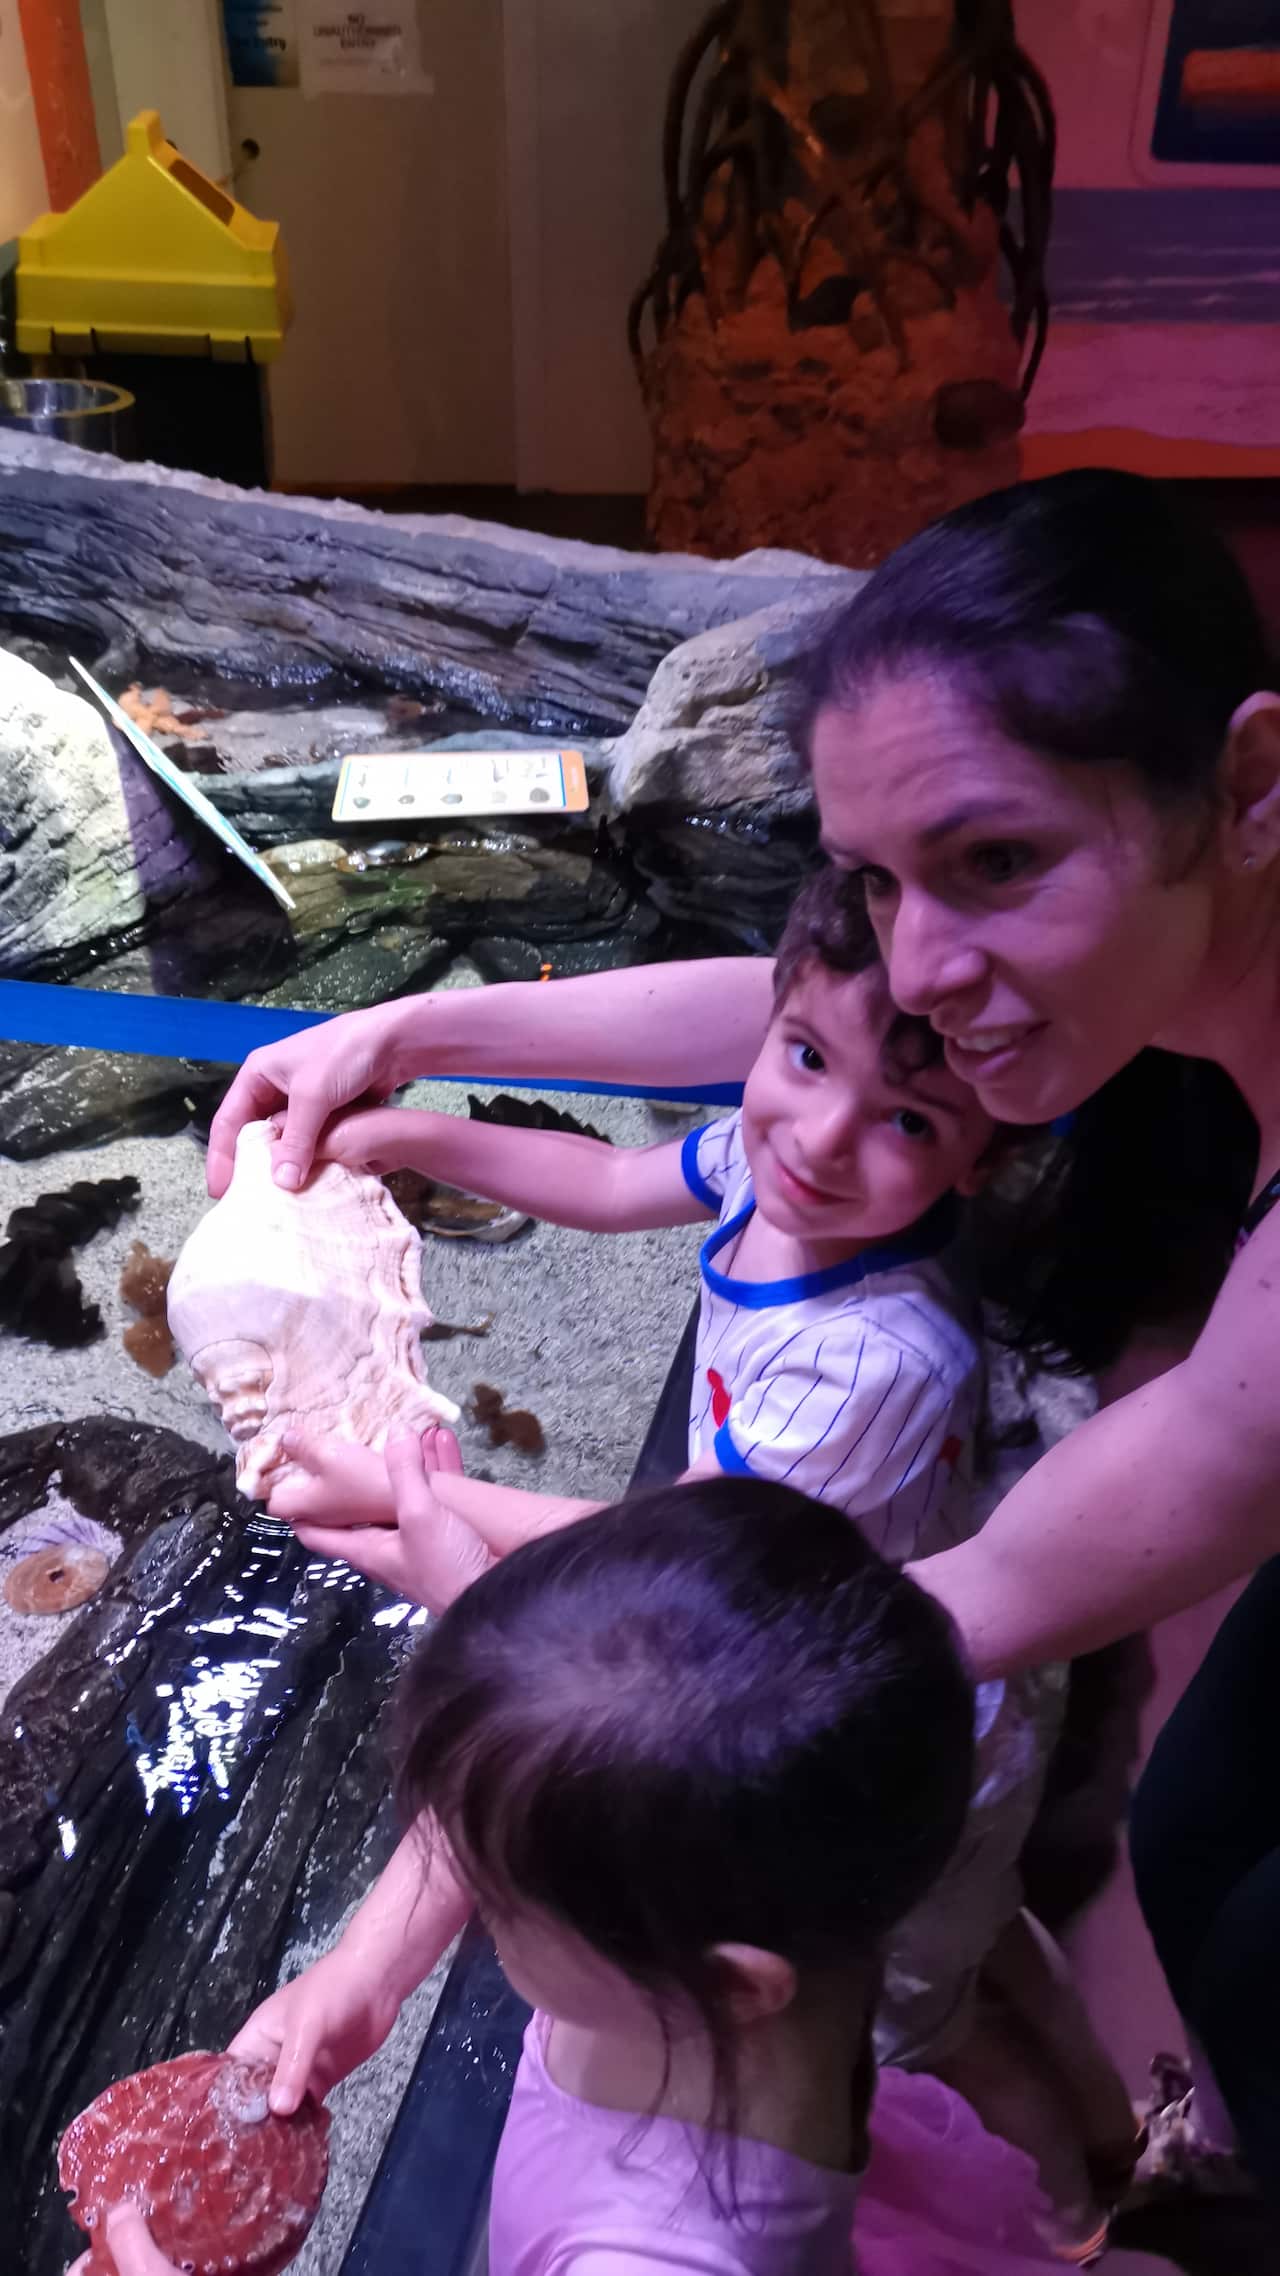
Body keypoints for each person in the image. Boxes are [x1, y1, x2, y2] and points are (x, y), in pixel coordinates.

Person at [210, 468, 1280, 2193]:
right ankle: (1144, 2160)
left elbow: (871, 1632)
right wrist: (408, 1031)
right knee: (1200, 1825)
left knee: (1236, 1941)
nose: (920, 973)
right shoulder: (1100, 983)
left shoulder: (977, 1356)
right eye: (875, 878)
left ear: (1245, 782)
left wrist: (473, 1557)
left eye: (995, 859)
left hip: (972, 1697)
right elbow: (808, 1007)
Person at [256, 867, 1132, 2251]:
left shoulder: (866, 1363)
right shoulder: (780, 1187)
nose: (822, 1137)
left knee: (935, 2007)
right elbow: (607, 1179)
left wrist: (419, 1493)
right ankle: (1104, 2111)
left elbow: (680, 1557)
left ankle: (1082, 2198)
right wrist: (413, 1135)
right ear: (769, 1025)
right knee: (980, 1941)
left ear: (984, 1155)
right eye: (803, 1056)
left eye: (906, 1118)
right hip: (838, 1659)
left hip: (890, 1738)